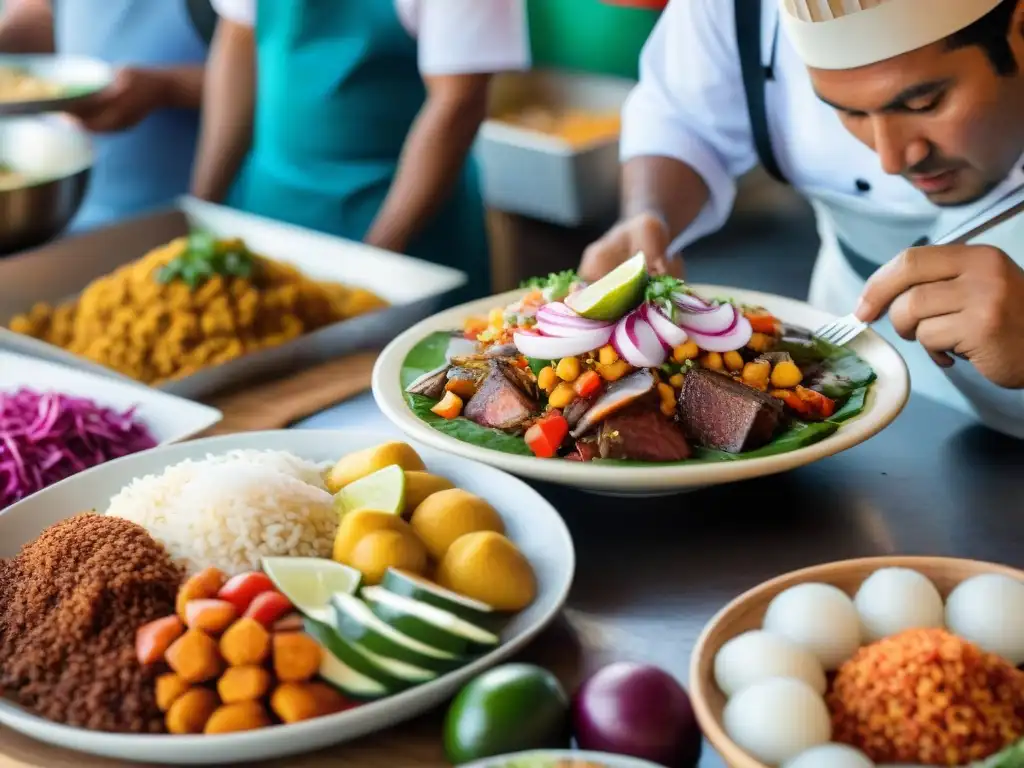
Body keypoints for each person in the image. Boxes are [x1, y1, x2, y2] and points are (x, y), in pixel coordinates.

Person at [579, 0, 1024, 437]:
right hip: (842, 339)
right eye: (847, 112)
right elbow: (683, 118)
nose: (891, 159)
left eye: (925, 103)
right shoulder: (737, 8)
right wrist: (649, 216)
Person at [192, 0, 530, 305]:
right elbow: (237, 40)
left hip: (399, 227)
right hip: (268, 211)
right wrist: (199, 213)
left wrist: (373, 266)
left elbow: (458, 103)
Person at [0, 0, 214, 232]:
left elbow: (252, 79)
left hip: (182, 209)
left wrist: (168, 88)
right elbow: (38, 16)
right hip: (70, 209)